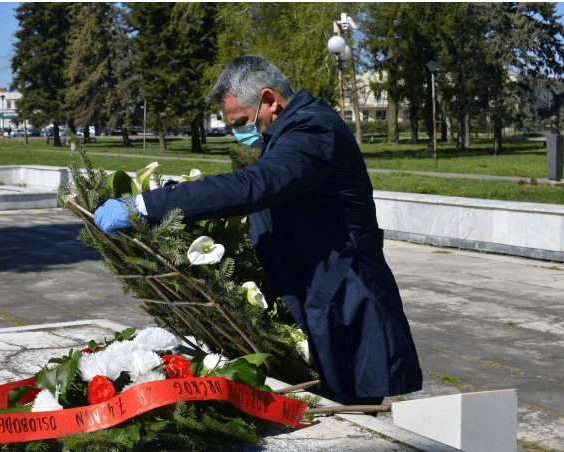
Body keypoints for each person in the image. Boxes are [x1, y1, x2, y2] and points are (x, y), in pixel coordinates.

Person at [94, 55, 422, 406]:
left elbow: (254, 186)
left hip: (347, 296)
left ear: (269, 98)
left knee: (350, 411)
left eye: (241, 121)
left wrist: (147, 206)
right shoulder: (290, 130)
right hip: (325, 285)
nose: (238, 132)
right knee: (329, 403)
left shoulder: (313, 131)